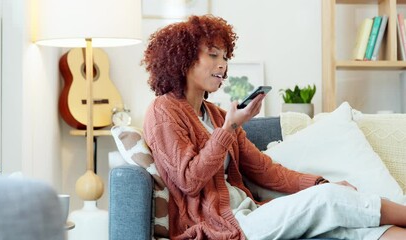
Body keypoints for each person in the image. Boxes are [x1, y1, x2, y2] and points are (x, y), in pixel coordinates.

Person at [142, 14, 406, 240]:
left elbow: (264, 170)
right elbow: (188, 180)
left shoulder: (217, 114)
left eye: (225, 56)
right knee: (330, 200)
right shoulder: (163, 111)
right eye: (213, 55)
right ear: (183, 59)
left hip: (251, 214)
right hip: (220, 227)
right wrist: (229, 129)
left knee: (353, 226)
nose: (223, 64)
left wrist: (321, 182)